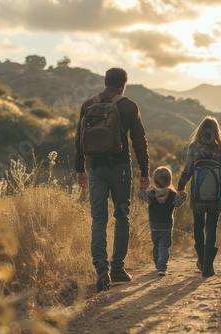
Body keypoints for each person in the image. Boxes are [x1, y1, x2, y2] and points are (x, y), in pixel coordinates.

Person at [74, 67, 150, 292]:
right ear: (124, 83)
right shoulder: (128, 106)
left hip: (95, 168)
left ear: (105, 81)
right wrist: (145, 172)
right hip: (120, 168)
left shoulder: (88, 104)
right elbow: (139, 141)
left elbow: (79, 140)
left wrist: (80, 169)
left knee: (98, 218)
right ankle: (117, 268)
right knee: (122, 216)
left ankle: (100, 268)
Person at [177, 116, 221, 277]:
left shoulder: (193, 147)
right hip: (215, 196)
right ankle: (208, 266)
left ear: (200, 130)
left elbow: (187, 170)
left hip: (197, 195)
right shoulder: (219, 148)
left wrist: (180, 186)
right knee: (211, 227)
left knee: (198, 227)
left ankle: (201, 260)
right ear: (216, 131)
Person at [138, 166, 187, 276]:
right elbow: (180, 201)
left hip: (154, 226)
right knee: (164, 247)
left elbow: (140, 195)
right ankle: (162, 267)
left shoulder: (150, 194)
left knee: (156, 245)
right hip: (166, 226)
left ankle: (157, 264)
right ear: (170, 182)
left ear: (155, 182)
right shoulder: (173, 195)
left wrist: (142, 188)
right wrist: (182, 191)